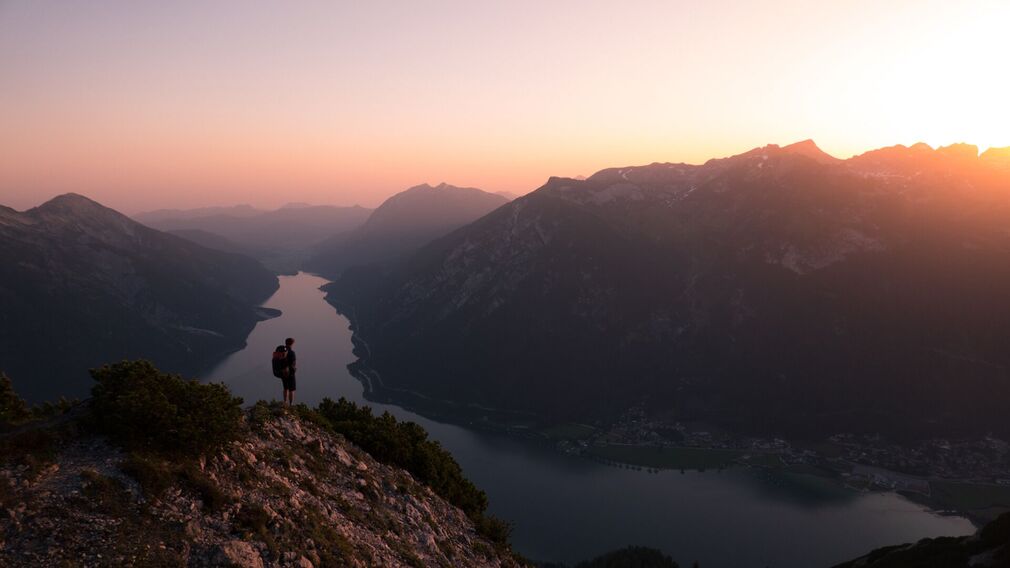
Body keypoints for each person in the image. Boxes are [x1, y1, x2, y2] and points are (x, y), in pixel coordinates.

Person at [283, 337, 297, 405]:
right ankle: (291, 404)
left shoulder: (283, 351)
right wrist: (294, 369)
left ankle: (285, 402)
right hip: (290, 373)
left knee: (285, 388)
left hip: (283, 372)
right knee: (292, 389)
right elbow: (293, 363)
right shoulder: (291, 352)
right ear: (291, 344)